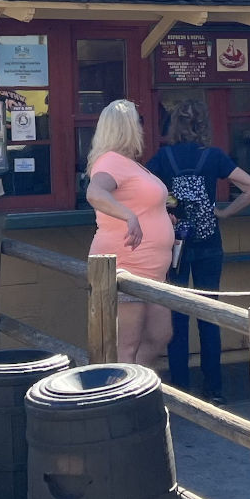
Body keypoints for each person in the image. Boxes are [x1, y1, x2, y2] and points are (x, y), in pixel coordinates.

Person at [149, 99, 250, 404]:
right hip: (210, 243)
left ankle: (181, 388)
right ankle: (214, 389)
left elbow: (143, 191)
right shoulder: (214, 157)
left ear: (174, 126)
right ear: (203, 126)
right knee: (210, 314)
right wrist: (224, 213)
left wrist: (164, 211)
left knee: (177, 314)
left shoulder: (163, 157)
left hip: (176, 245)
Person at [84, 99, 175, 368]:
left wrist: (160, 217)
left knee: (160, 336)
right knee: (128, 344)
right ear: (127, 127)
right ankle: (124, 398)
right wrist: (129, 216)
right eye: (139, 122)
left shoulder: (129, 164)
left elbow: (142, 201)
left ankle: (135, 387)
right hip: (127, 266)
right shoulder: (110, 162)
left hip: (153, 271)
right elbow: (95, 193)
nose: (142, 128)